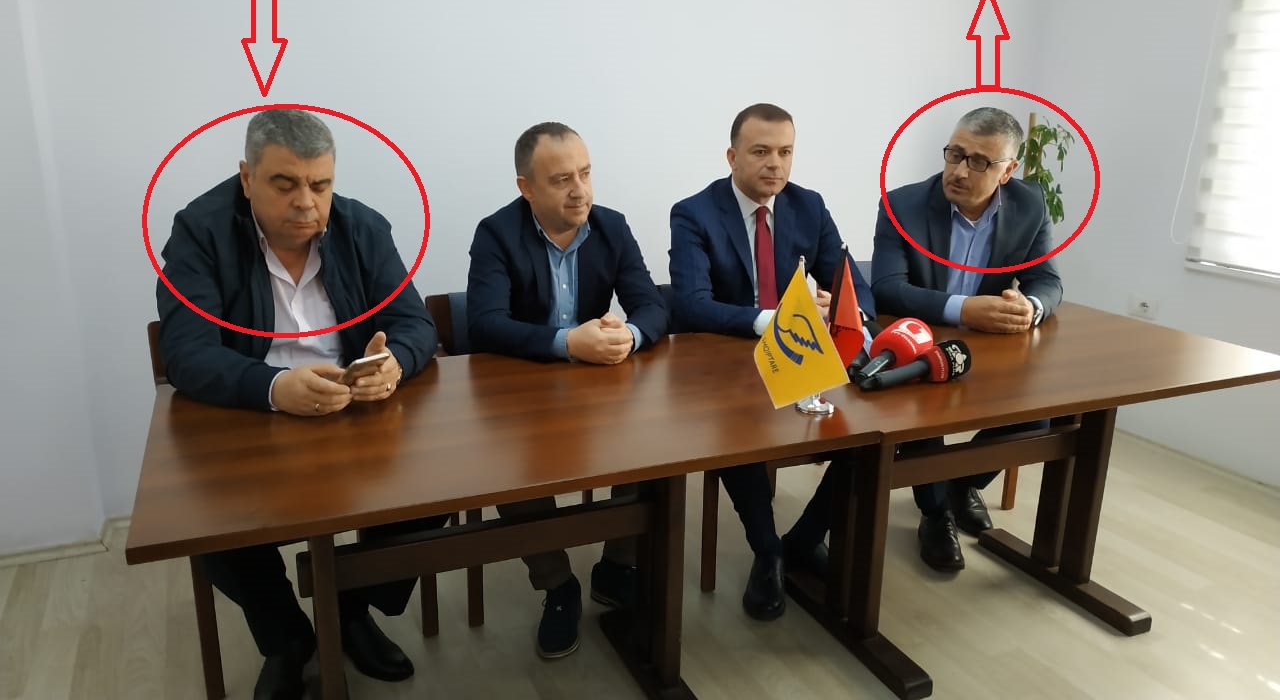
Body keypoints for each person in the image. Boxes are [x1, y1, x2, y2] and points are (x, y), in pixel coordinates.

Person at [156, 109, 442, 700]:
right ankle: (289, 641)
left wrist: (394, 363)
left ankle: (350, 608)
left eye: (320, 184)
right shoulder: (200, 232)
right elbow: (185, 352)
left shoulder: (363, 228)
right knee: (216, 523)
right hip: (249, 415)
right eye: (284, 184)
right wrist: (272, 386)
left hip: (352, 412)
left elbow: (415, 323)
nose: (306, 203)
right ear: (246, 178)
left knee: (436, 488)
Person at [467, 121, 668, 658]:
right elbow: (484, 324)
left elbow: (652, 306)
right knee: (513, 473)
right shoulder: (496, 233)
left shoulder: (611, 226)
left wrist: (630, 334)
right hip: (521, 395)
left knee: (652, 448)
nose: (580, 191)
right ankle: (558, 586)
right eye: (561, 180)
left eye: (585, 174)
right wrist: (565, 343)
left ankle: (617, 565)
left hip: (596, 391)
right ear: (526, 188)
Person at [669, 103, 874, 621]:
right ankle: (768, 551)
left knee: (868, 433)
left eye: (785, 152)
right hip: (725, 367)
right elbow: (690, 304)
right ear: (732, 156)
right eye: (761, 151)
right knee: (738, 435)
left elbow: (853, 284)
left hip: (799, 360)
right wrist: (771, 320)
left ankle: (803, 537)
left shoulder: (808, 206)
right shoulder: (694, 213)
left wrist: (844, 308)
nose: (775, 164)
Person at [870, 106, 1063, 572]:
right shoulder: (903, 205)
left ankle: (961, 483)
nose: (959, 171)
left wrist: (1030, 307)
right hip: (919, 345)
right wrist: (963, 308)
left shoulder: (1030, 205)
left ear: (1008, 171)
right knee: (922, 412)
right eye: (954, 154)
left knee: (1043, 413)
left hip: (987, 349)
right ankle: (936, 514)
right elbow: (887, 288)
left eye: (979, 161)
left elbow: (1047, 281)